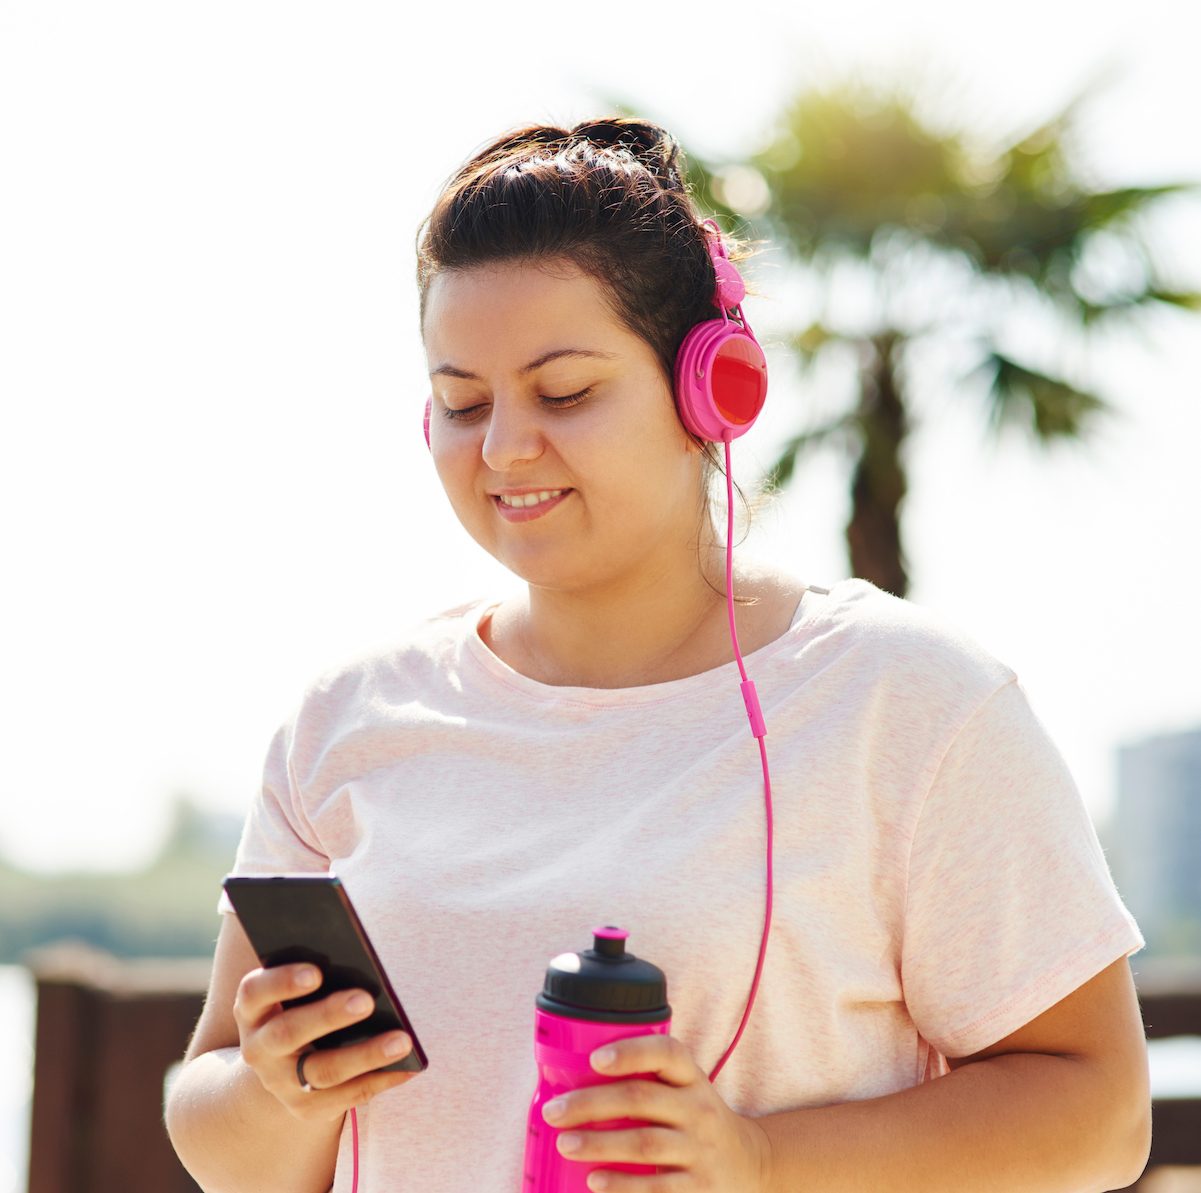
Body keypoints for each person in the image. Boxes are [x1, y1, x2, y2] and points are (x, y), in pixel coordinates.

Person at [165, 117, 1152, 1193]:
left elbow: (1096, 1112)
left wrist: (760, 1157)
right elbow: (223, 1137)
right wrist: (274, 1087)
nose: (501, 448)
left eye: (565, 391)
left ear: (710, 392)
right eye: (462, 400)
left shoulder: (905, 700)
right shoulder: (343, 719)